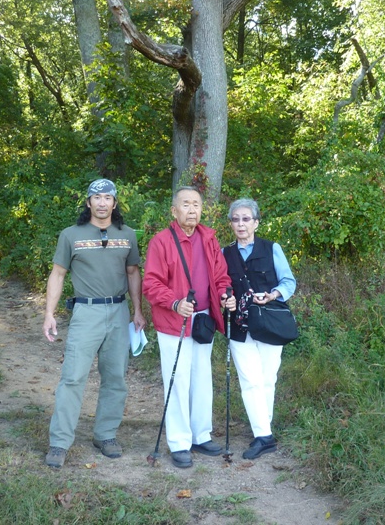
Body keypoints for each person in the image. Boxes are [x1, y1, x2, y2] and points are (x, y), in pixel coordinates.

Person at [42, 179, 145, 469]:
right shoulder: (71, 235)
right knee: (73, 377)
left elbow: (133, 272)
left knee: (116, 378)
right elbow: (58, 274)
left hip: (118, 310)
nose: (102, 203)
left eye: (107, 198)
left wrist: (137, 311)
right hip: (86, 313)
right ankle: (59, 442)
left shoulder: (127, 235)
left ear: (115, 203)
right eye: (96, 197)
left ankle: (106, 435)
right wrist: (49, 313)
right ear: (88, 203)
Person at [143, 186, 236, 468]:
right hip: (174, 320)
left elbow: (220, 276)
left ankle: (201, 434)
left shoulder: (208, 238)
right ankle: (180, 442)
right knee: (178, 379)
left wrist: (225, 294)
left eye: (196, 204)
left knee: (201, 377)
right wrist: (174, 303)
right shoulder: (161, 242)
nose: (192, 209)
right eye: (186, 204)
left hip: (204, 318)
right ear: (174, 211)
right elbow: (151, 284)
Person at [222, 198, 297, 460]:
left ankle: (262, 429)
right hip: (240, 325)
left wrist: (273, 294)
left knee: (267, 379)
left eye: (246, 219)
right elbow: (221, 285)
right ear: (231, 223)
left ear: (256, 222)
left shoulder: (271, 248)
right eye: (236, 219)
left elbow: (288, 281)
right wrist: (225, 297)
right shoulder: (224, 253)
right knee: (250, 381)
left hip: (270, 322)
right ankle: (264, 437)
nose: (241, 224)